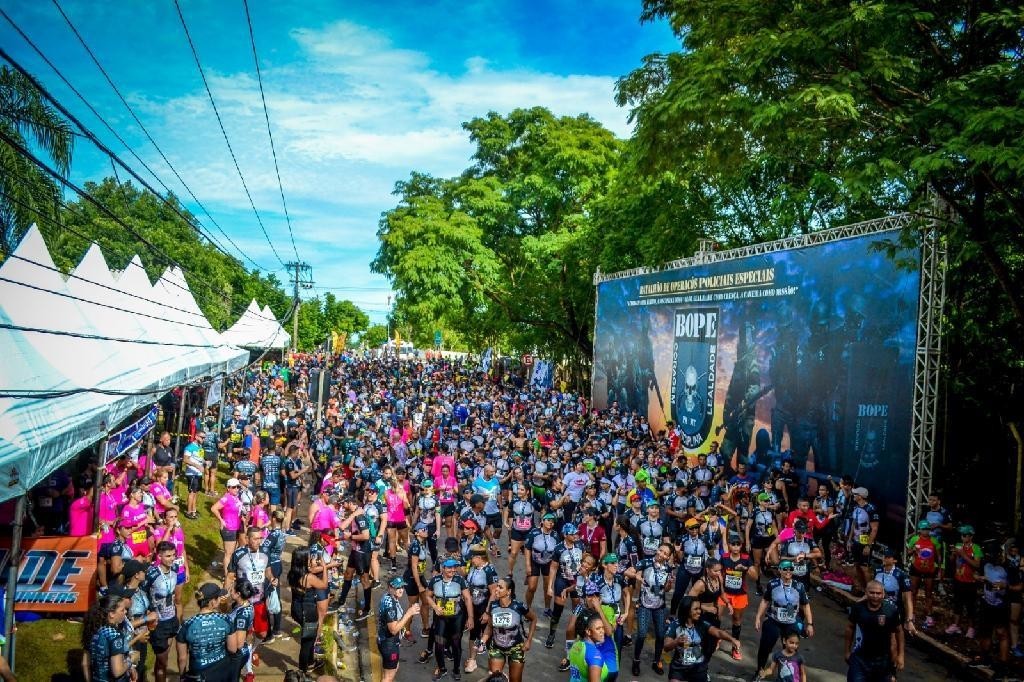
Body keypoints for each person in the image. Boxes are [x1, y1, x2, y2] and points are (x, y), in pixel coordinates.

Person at [753, 559, 814, 672]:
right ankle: (759, 671)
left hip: (791, 621)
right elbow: (765, 601)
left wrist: (810, 624)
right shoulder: (773, 584)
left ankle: (788, 674)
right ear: (780, 570)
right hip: (774, 620)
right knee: (765, 647)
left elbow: (806, 605)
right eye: (785, 569)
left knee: (790, 648)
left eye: (791, 569)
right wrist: (758, 617)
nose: (788, 571)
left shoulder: (799, 586)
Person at [664, 596, 742, 682]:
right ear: (687, 610)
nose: (699, 611)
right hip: (679, 668)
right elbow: (666, 647)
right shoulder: (675, 625)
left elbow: (718, 632)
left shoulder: (701, 623)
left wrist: (732, 639)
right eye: (696, 609)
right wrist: (676, 642)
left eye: (699, 608)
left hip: (698, 668)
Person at [424, 557, 474, 681]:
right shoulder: (435, 580)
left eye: (455, 567)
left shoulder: (460, 580)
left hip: (457, 617)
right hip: (441, 617)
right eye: (450, 567)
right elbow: (427, 596)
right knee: (439, 644)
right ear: (443, 568)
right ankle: (442, 669)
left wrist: (470, 617)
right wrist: (435, 607)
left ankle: (456, 669)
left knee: (456, 644)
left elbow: (467, 598)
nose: (453, 570)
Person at [844, 580, 905, 682]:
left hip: (883, 661)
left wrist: (900, 655)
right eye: (872, 593)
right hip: (860, 658)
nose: (875, 596)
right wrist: (847, 651)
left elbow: (899, 632)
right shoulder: (858, 608)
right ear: (866, 593)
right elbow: (850, 627)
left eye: (878, 593)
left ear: (883, 594)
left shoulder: (891, 611)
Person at [176, 582, 236, 682]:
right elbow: (232, 649)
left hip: (198, 674)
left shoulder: (186, 625)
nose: (220, 600)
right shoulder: (226, 619)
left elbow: (182, 658)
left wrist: (182, 676)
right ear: (213, 602)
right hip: (222, 672)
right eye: (218, 598)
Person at [141, 542, 182, 682]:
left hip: (171, 618)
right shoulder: (152, 574)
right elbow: (142, 594)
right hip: (158, 623)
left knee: (162, 662)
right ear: (159, 556)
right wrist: (148, 614)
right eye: (168, 556)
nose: (172, 558)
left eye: (174, 555)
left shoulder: (175, 568)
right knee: (162, 661)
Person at [632, 542, 674, 676]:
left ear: (668, 557)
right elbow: (631, 571)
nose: (661, 554)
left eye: (665, 553)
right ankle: (636, 661)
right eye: (660, 550)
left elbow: (666, 589)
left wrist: (669, 584)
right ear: (657, 549)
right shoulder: (645, 562)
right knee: (642, 634)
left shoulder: (668, 568)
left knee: (661, 635)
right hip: (644, 604)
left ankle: (656, 662)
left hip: (659, 606)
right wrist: (637, 576)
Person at [482, 577, 536, 682]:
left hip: (516, 648)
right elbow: (489, 627)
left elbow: (533, 619)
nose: (496, 589)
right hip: (496, 647)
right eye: (497, 586)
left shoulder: (519, 606)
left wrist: (529, 640)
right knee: (496, 680)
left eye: (500, 587)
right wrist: (482, 641)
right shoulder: (493, 605)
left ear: (508, 591)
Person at [289, 546, 329, 675]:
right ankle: (303, 671)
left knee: (309, 636)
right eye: (309, 557)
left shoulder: (292, 573)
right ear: (303, 561)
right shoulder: (309, 577)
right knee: (307, 642)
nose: (311, 559)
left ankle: (311, 662)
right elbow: (324, 585)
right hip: (308, 612)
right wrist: (324, 567)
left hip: (296, 608)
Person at [377, 576, 421, 682]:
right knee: (388, 677)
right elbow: (393, 630)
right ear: (390, 588)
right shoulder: (390, 606)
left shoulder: (389, 597)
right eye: (397, 587)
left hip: (387, 641)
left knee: (394, 668)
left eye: (402, 587)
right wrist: (409, 613)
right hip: (389, 644)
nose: (401, 590)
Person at [720, 534, 756, 660]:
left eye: (738, 544)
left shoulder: (746, 558)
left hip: (739, 594)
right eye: (733, 544)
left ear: (741, 546)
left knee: (736, 620)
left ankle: (735, 647)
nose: (735, 547)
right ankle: (716, 638)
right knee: (716, 616)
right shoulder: (724, 558)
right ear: (729, 545)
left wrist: (745, 568)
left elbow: (755, 576)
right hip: (725, 593)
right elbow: (719, 573)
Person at [83, 593, 132, 682]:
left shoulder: (92, 630)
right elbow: (117, 671)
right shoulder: (115, 635)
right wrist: (130, 660)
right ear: (112, 614)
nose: (125, 612)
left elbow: (85, 664)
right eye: (122, 610)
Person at [568, 609, 619, 682]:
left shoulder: (575, 645)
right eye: (598, 629)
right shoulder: (595, 657)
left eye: (603, 627)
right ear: (588, 631)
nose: (602, 631)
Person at [211, 478, 244, 572]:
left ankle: (230, 572)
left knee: (233, 552)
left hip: (236, 527)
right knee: (228, 554)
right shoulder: (226, 498)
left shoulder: (235, 497)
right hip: (229, 528)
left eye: (238, 487)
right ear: (228, 488)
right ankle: (226, 575)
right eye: (234, 487)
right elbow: (213, 508)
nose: (236, 489)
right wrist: (221, 520)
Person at [227, 577, 257, 682]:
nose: (229, 591)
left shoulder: (242, 615)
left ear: (238, 594)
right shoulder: (243, 604)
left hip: (237, 654)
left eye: (231, 589)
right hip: (242, 649)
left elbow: (239, 644)